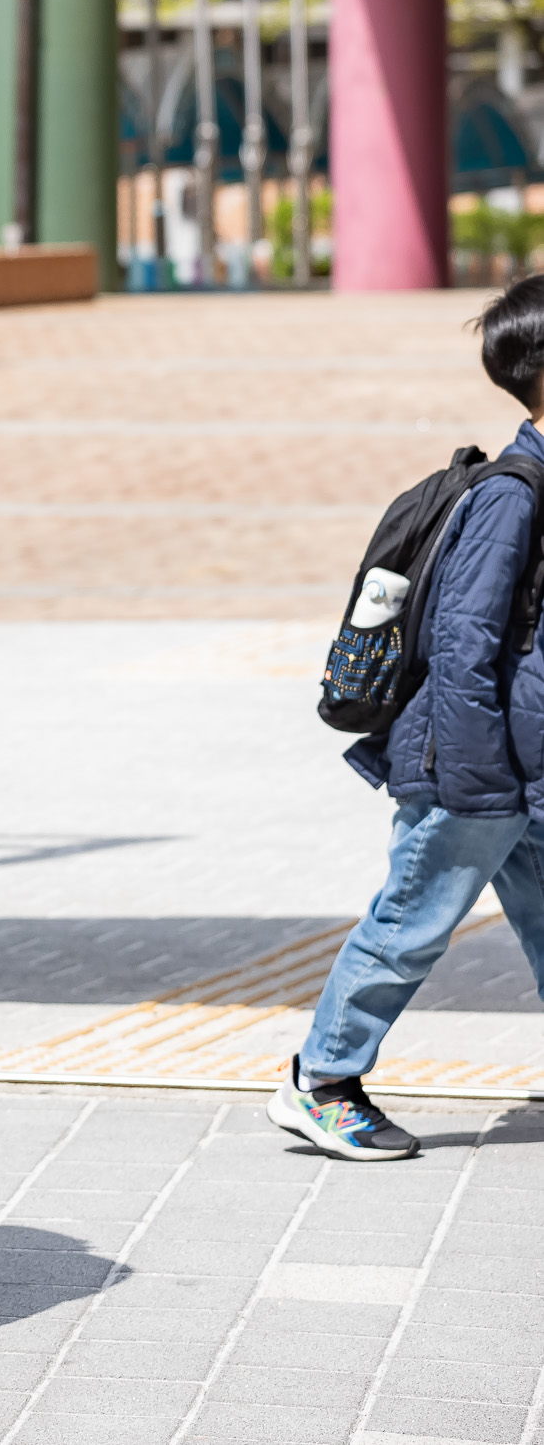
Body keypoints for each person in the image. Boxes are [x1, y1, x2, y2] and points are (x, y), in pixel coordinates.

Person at [276, 276, 544, 1162]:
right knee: (407, 927)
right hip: (473, 773)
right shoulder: (514, 495)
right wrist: (481, 783)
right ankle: (320, 1082)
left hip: (521, 773)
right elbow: (465, 643)